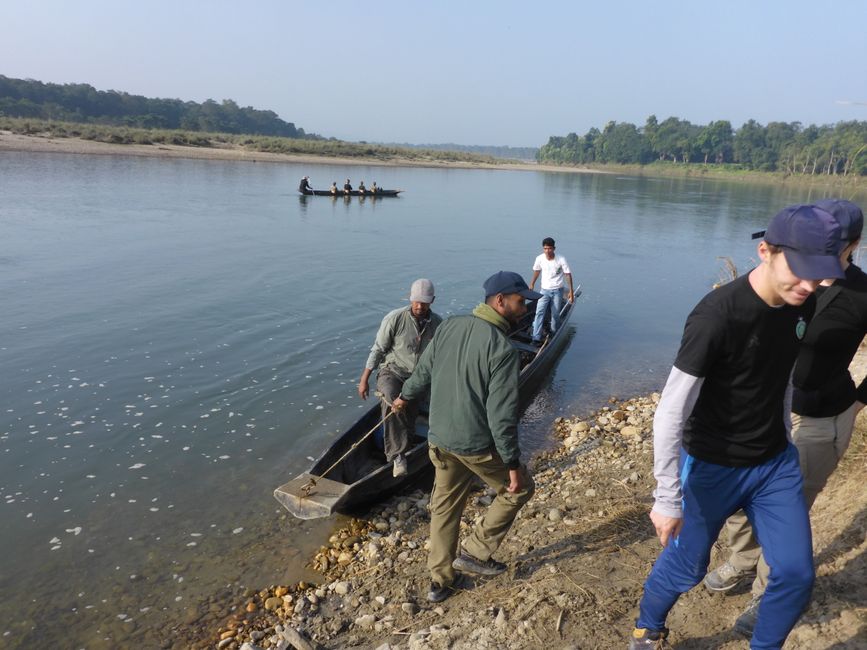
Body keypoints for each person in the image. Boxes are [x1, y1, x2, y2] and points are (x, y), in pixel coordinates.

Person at [629, 204, 845, 650]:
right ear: (765, 251)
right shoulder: (717, 316)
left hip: (774, 465)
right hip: (712, 464)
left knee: (796, 573)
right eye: (800, 272)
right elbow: (670, 409)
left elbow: (779, 373)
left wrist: (783, 431)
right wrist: (667, 495)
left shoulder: (802, 302)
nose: (808, 285)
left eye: (818, 275)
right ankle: (647, 628)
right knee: (688, 567)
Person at [702, 199, 866, 637]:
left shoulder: (861, 295)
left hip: (819, 418)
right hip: (762, 410)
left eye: (835, 244)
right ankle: (741, 558)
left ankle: (767, 592)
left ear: (852, 244)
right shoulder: (787, 280)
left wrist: (857, 402)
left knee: (786, 513)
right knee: (739, 500)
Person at [392, 271, 540, 603]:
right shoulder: (502, 349)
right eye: (520, 302)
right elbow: (502, 417)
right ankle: (475, 551)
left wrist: (403, 396)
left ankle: (440, 582)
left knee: (444, 508)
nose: (525, 309)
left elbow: (422, 374)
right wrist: (513, 463)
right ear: (500, 302)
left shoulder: (449, 326)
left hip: (440, 440)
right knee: (520, 489)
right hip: (476, 446)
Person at [358, 279, 442, 477]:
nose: (419, 306)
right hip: (392, 372)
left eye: (424, 302)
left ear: (432, 301)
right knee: (392, 398)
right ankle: (397, 456)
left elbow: (443, 354)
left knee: (410, 410)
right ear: (410, 299)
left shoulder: (438, 324)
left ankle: (407, 439)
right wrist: (364, 380)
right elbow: (378, 350)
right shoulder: (394, 319)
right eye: (416, 301)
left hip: (419, 377)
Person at [528, 237, 574, 344]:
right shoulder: (539, 258)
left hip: (558, 291)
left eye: (549, 248)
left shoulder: (561, 259)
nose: (547, 251)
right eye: (545, 249)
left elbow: (568, 275)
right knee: (539, 312)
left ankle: (553, 334)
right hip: (544, 291)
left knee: (555, 314)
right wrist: (532, 283)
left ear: (554, 248)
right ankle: (536, 338)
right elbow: (537, 271)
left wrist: (571, 291)